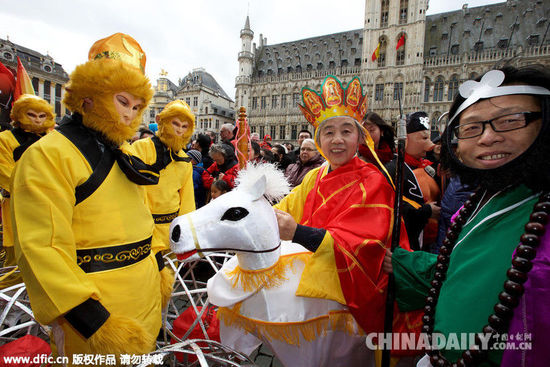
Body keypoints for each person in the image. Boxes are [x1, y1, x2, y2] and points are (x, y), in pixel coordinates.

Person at [11, 33, 166, 361]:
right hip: (98, 314)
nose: (129, 115)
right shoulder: (49, 155)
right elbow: (42, 249)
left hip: (146, 296)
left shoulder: (123, 151)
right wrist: (94, 322)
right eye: (123, 102)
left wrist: (158, 263)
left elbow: (142, 217)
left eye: (137, 107)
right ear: (90, 95)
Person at [385, 65, 550, 366]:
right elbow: (463, 271)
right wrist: (404, 262)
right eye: (472, 128)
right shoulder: (478, 202)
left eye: (509, 120)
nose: (487, 138)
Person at [275, 75, 412, 342]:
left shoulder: (373, 182)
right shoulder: (316, 175)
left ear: (359, 137)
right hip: (312, 287)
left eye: (346, 131)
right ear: (318, 140)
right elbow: (285, 208)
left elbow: (362, 246)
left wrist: (299, 233)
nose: (337, 139)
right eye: (329, 132)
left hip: (349, 296)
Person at [0, 94, 55, 288]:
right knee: (16, 261)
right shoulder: (5, 139)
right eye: (32, 115)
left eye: (42, 115)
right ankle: (10, 309)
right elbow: (6, 173)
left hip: (51, 206)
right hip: (18, 206)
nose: (37, 120)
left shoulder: (53, 139)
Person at [130, 99, 196, 257]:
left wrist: (186, 234)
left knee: (170, 276)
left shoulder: (185, 160)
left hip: (170, 232)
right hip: (141, 230)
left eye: (184, 126)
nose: (179, 130)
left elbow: (187, 201)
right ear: (162, 121)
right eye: (176, 123)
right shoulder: (141, 148)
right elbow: (132, 189)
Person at [386, 112, 441, 251]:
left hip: (429, 241)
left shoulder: (428, 167)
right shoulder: (394, 168)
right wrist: (426, 211)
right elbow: (392, 207)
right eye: (423, 138)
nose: (431, 146)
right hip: (408, 243)